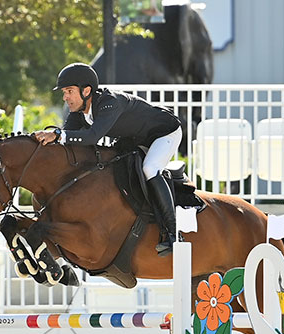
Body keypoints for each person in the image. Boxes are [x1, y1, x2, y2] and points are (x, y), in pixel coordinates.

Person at [34, 62, 183, 257]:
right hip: (134, 139)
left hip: (163, 133)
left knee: (150, 168)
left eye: (69, 91)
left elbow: (92, 136)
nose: (65, 97)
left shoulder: (109, 102)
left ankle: (173, 233)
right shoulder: (78, 112)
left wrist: (58, 134)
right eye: (64, 92)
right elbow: (68, 141)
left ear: (86, 90)